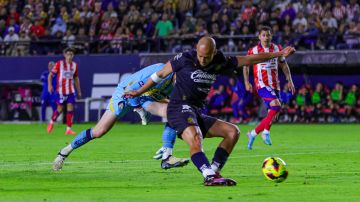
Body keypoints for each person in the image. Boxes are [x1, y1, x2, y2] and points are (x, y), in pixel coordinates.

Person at [125, 36, 295, 186]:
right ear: (196, 50)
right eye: (200, 56)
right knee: (196, 137)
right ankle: (208, 176)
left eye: (207, 57)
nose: (203, 60)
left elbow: (250, 59)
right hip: (178, 108)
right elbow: (160, 74)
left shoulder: (220, 61)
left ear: (214, 53)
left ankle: (213, 170)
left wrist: (278, 54)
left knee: (232, 132)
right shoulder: (185, 58)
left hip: (196, 110)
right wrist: (139, 92)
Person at [52, 63, 189, 171]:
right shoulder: (161, 72)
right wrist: (140, 110)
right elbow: (132, 88)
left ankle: (167, 155)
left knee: (174, 111)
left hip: (144, 97)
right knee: (99, 131)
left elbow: (163, 98)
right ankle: (64, 152)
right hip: (125, 93)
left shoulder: (175, 83)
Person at [243, 26, 295, 150]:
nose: (266, 37)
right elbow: (245, 66)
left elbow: (283, 65)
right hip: (261, 84)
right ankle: (266, 132)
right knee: (276, 105)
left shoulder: (277, 48)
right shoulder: (253, 50)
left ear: (271, 36)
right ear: (259, 37)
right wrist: (246, 82)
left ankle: (253, 133)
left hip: (275, 85)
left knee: (273, 114)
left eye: (268, 35)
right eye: (264, 35)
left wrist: (289, 80)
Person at [47, 47, 82, 135]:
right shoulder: (59, 64)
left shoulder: (75, 65)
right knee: (60, 109)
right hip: (61, 91)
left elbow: (76, 78)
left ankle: (68, 129)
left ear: (73, 55)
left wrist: (79, 91)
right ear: (64, 55)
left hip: (70, 91)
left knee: (70, 108)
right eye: (68, 54)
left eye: (71, 54)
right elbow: (50, 75)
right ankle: (52, 121)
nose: (69, 56)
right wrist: (50, 85)